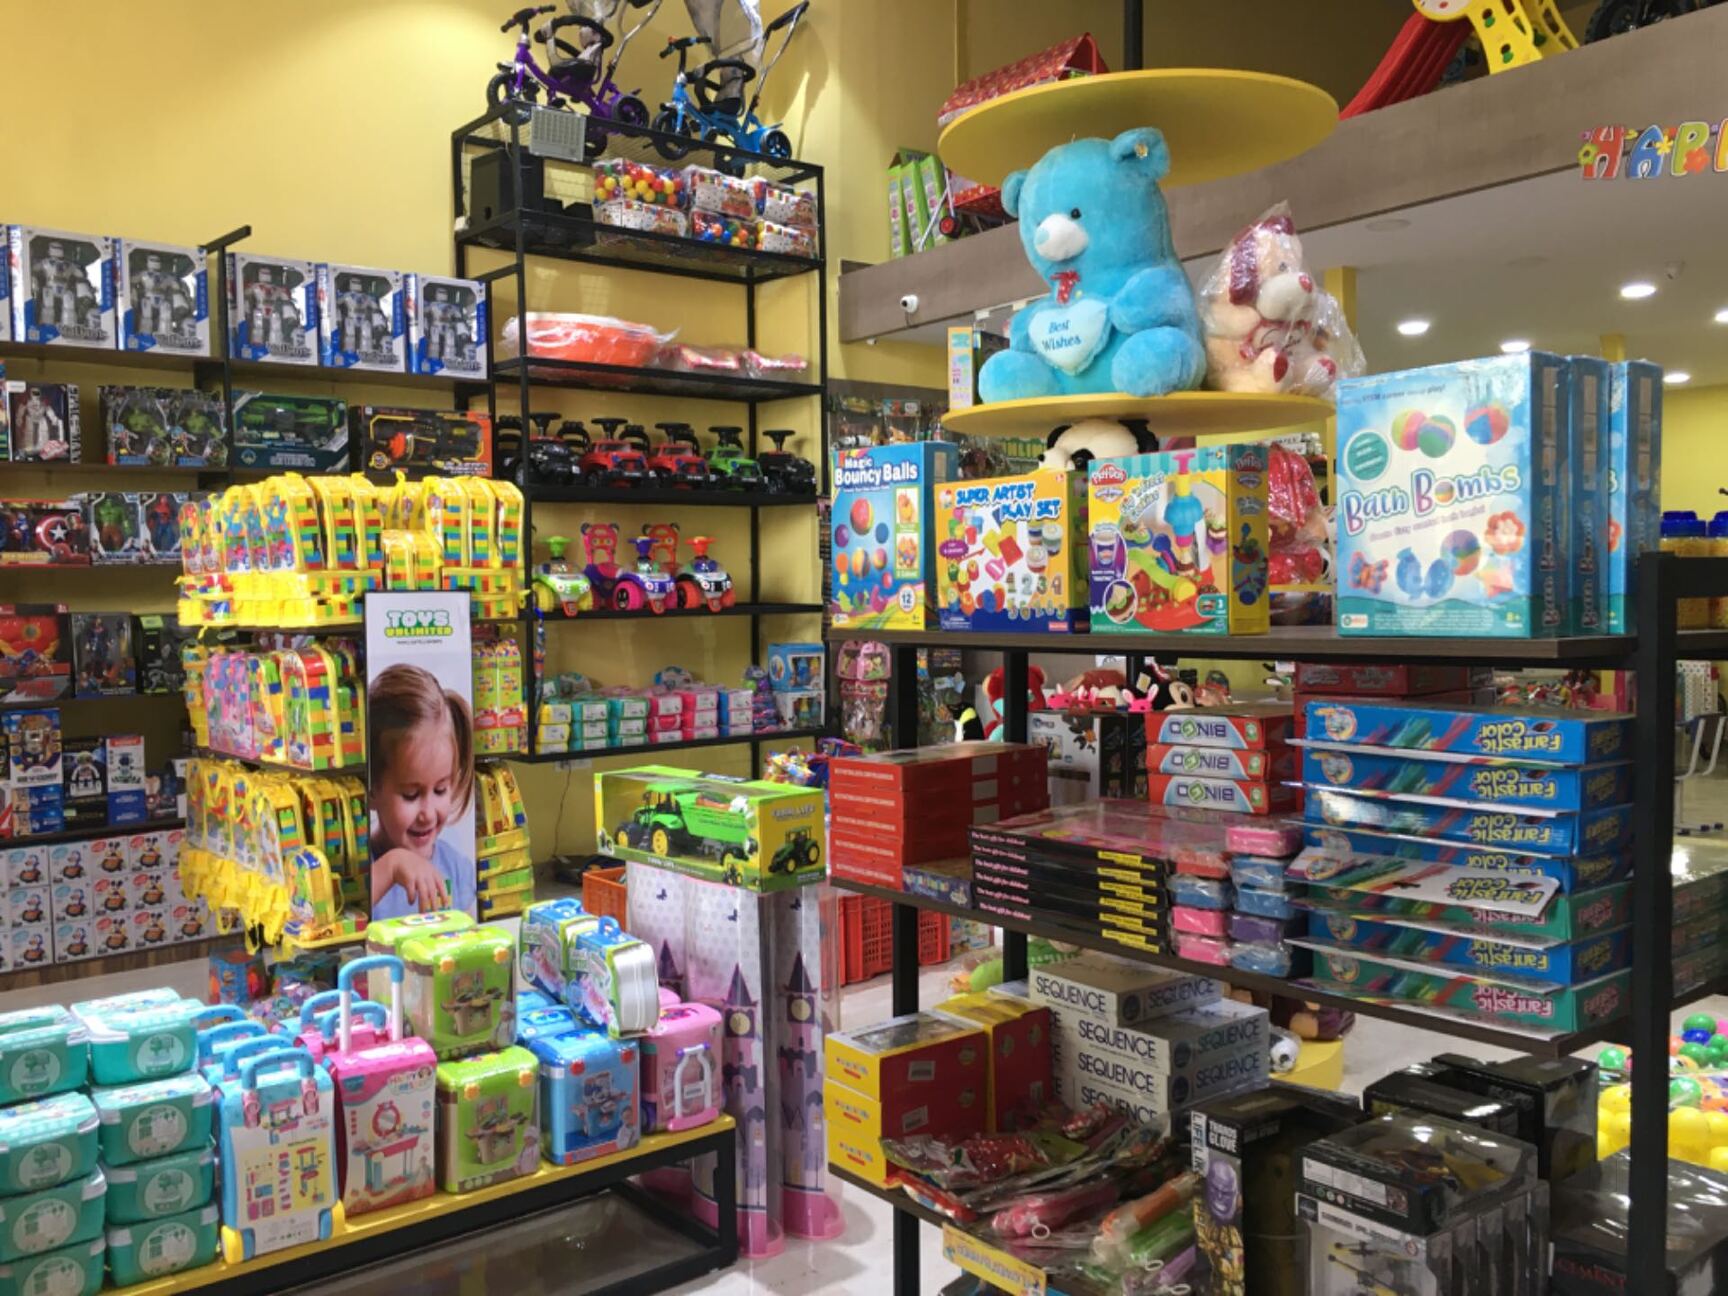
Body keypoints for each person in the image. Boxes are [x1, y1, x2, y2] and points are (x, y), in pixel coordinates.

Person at [369, 663, 476, 919]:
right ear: (371, 789)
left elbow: (472, 936)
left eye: (440, 790)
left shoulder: (457, 869)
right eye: (411, 795)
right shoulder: (360, 871)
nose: (427, 814)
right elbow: (332, 921)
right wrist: (391, 866)